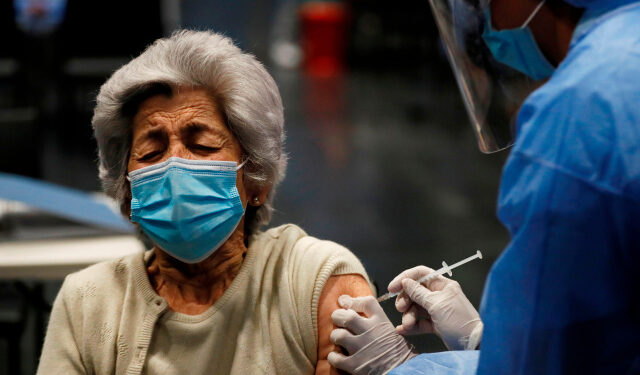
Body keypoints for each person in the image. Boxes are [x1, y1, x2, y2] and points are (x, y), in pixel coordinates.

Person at [36, 30, 375, 375]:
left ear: (256, 178)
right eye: (151, 152)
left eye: (204, 146)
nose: (174, 164)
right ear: (126, 194)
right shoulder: (86, 301)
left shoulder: (315, 280)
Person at [329, 0, 640, 373]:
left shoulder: (582, 114)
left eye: (481, 4)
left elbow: (534, 366)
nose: (480, 23)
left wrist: (403, 365)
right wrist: (481, 341)